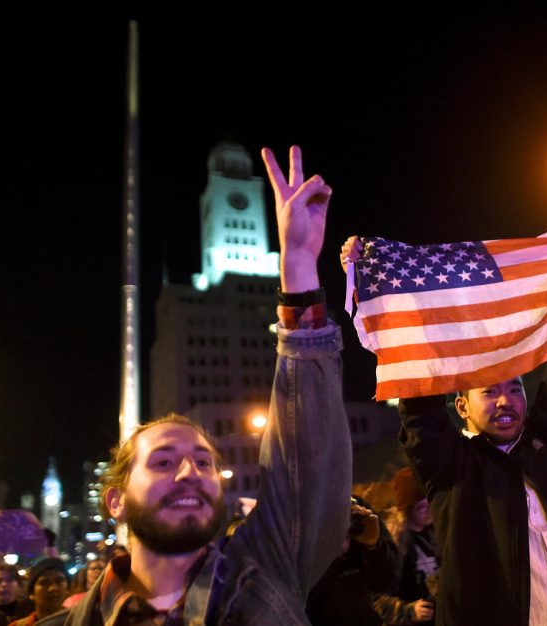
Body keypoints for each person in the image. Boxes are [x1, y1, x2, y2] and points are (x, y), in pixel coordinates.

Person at [41, 145, 351, 625]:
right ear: (116, 501)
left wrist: (299, 272)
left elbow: (305, 460)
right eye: (164, 461)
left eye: (203, 461)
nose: (189, 472)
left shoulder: (265, 575)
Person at [345, 213, 547, 624]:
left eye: (515, 389)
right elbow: (419, 407)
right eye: (489, 392)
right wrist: (386, 286)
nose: (505, 400)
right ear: (462, 408)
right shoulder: (449, 468)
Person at [306, 497, 401, 625]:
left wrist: (373, 546)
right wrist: (333, 554)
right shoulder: (301, 515)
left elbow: (388, 584)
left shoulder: (357, 511)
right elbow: (304, 598)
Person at [373, 467, 439, 625]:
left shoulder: (435, 535)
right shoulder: (392, 545)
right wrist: (409, 611)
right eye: (421, 507)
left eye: (430, 502)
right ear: (407, 510)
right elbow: (376, 599)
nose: (429, 510)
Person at [6, 558, 69, 626]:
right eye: (45, 583)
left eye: (59, 581)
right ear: (32, 593)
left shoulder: (78, 621)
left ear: (68, 589)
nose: (53, 588)